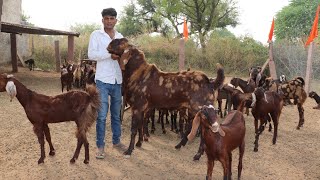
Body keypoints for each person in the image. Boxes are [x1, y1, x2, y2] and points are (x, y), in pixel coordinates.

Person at [88, 8, 126, 159]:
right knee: (102, 115)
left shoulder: (121, 36)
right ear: (102, 20)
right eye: (107, 18)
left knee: (116, 115)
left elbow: (125, 55)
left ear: (116, 20)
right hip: (103, 80)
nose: (109, 21)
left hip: (117, 81)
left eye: (112, 18)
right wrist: (110, 55)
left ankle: (116, 142)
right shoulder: (96, 35)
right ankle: (100, 146)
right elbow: (91, 54)